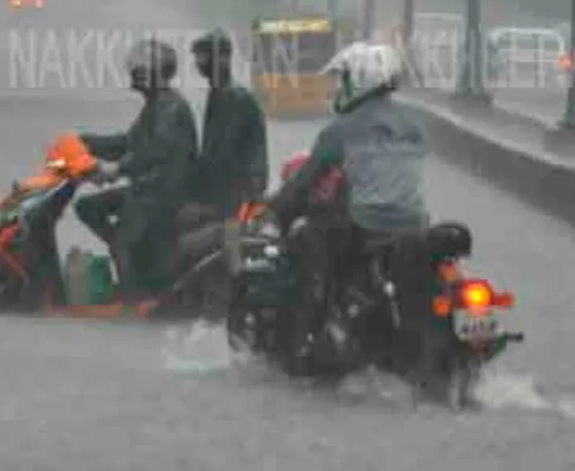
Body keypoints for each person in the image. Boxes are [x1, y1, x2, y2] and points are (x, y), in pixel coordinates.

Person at [266, 41, 429, 369]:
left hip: (364, 227)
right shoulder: (413, 126)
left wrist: (277, 212)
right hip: (415, 225)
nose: (339, 88)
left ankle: (307, 341)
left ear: (360, 80)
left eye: (343, 80)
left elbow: (304, 183)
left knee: (307, 247)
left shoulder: (340, 131)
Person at [75, 38, 198, 297]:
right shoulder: (155, 105)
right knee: (87, 207)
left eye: (142, 69)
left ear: (155, 73)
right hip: (148, 187)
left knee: (122, 241)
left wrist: (116, 170)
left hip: (164, 191)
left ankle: (133, 298)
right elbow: (128, 142)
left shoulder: (170, 107)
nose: (135, 73)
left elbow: (153, 152)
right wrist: (84, 143)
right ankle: (141, 266)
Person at [180, 30, 269, 229]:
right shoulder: (219, 93)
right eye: (198, 57)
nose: (199, 63)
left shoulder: (233, 97)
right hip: (228, 196)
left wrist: (200, 201)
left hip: (238, 200)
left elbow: (222, 156)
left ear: (223, 58)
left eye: (204, 56)